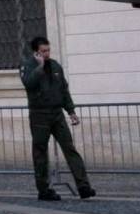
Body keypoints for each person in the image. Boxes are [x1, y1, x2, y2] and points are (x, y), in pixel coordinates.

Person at [19, 35, 96, 202]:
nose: (47, 54)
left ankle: (83, 186)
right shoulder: (27, 66)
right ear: (36, 52)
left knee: (70, 149)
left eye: (48, 50)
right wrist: (39, 67)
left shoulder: (55, 66)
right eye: (43, 51)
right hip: (39, 114)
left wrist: (71, 111)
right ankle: (44, 190)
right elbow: (28, 84)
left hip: (57, 113)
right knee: (40, 153)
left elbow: (64, 89)